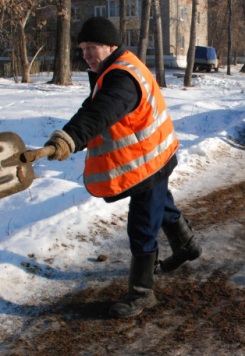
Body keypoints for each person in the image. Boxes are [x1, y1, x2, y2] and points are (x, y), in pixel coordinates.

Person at [44, 17, 202, 318]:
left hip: (148, 162)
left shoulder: (122, 78)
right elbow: (93, 106)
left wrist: (73, 138)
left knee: (143, 225)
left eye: (93, 47)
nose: (87, 55)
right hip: (155, 155)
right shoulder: (118, 67)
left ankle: (142, 293)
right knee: (161, 207)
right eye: (83, 48)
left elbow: (103, 111)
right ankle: (186, 246)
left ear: (111, 45)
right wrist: (66, 136)